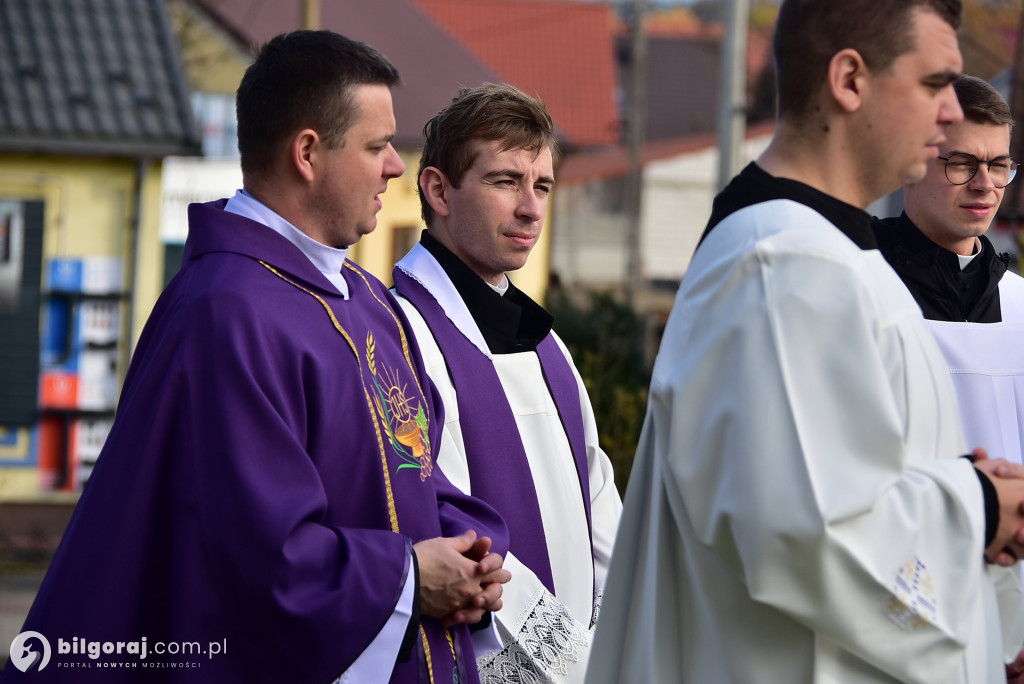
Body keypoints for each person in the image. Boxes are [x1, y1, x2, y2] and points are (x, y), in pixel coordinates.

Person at [2, 31, 511, 684]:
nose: (394, 166)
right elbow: (255, 554)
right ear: (308, 153)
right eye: (377, 146)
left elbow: (414, 467)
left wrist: (471, 554)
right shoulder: (226, 312)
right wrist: (410, 578)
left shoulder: (368, 301)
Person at [586, 1, 1024, 682]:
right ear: (849, 80)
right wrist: (978, 506)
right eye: (934, 83)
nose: (948, 113)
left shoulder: (820, 252)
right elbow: (803, 531)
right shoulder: (785, 264)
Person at [390, 83, 622, 683]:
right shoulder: (398, 335)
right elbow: (441, 518)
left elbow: (598, 496)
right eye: (505, 181)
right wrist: (571, 663)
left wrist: (612, 642)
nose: (531, 209)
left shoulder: (547, 344)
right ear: (438, 190)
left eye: (542, 186)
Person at [874, 74, 1024, 462]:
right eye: (962, 164)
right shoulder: (863, 293)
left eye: (999, 165)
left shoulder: (1020, 305)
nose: (985, 184)